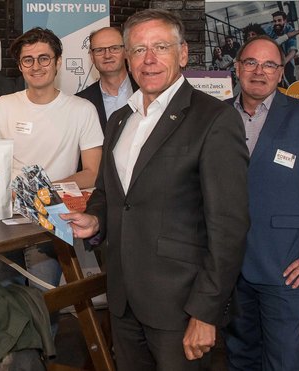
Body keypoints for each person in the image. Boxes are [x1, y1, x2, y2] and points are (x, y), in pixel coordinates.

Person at [62, 9, 250, 370]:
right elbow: (109, 192)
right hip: (123, 298)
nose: (149, 59)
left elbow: (229, 227)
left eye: (160, 47)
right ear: (127, 59)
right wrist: (95, 219)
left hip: (181, 306)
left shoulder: (213, 118)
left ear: (182, 54)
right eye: (138, 50)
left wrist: (205, 313)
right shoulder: (120, 119)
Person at [222, 36, 299, 371]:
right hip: (229, 267)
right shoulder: (217, 118)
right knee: (239, 357)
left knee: (282, 360)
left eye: (269, 65)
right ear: (237, 69)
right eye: (250, 63)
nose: (259, 71)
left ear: (281, 73)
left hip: (286, 266)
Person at [0, 27, 104, 291]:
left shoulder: (82, 110)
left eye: (44, 58)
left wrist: (40, 192)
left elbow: (92, 171)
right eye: (28, 59)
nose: (36, 66)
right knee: (7, 300)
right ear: (20, 66)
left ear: (58, 62)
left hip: (51, 222)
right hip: (4, 220)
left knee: (45, 302)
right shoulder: (5, 105)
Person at [76, 26, 138, 128]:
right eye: (99, 50)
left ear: (126, 51)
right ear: (92, 56)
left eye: (114, 48)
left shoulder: (147, 90)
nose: (107, 55)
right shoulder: (80, 101)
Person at [265, 11, 299, 87]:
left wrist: (284, 62)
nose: (276, 23)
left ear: (285, 21)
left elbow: (292, 49)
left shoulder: (289, 29)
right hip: (271, 61)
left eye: (279, 20)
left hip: (286, 60)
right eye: (274, 21)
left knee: (290, 80)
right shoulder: (268, 30)